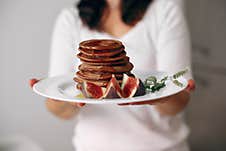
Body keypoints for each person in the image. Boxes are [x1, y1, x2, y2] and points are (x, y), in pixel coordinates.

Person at [30, 0, 195, 150]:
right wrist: (61, 98)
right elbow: (60, 111)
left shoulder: (164, 10)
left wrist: (164, 96)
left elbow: (178, 102)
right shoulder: (71, 19)